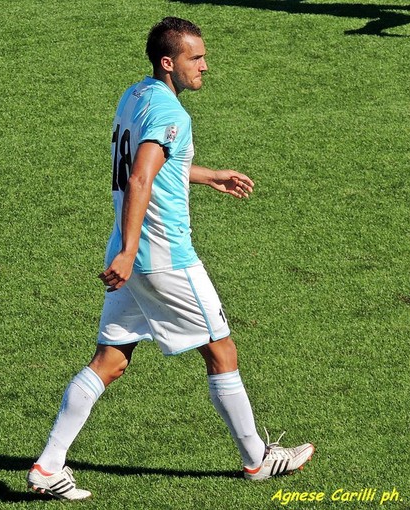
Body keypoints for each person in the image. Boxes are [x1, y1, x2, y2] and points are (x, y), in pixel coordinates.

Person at [26, 17, 314, 501]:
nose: (204, 66)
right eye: (195, 58)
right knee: (221, 351)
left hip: (132, 255)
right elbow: (140, 177)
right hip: (163, 257)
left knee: (111, 361)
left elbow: (158, 163)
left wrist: (205, 175)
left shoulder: (136, 95)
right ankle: (258, 461)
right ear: (169, 62)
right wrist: (131, 249)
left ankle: (46, 467)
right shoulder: (173, 114)